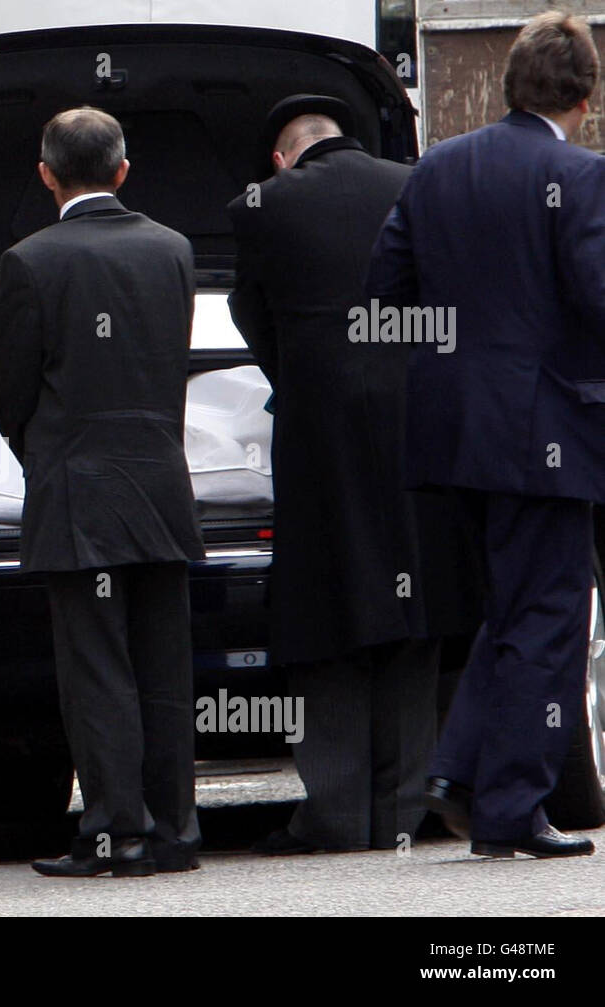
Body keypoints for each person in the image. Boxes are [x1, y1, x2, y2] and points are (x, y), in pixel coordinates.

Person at [367, 10, 604, 859]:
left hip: (454, 433)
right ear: (586, 93)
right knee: (548, 617)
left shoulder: (436, 168)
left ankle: (459, 770)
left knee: (508, 608)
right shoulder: (580, 176)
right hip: (549, 430)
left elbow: (385, 293)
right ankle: (509, 807)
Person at [227, 95, 479, 854]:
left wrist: (305, 378)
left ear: (282, 155)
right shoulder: (417, 181)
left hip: (320, 437)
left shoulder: (259, 205)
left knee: (326, 606)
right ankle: (402, 806)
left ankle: (335, 811)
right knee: (414, 609)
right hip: (415, 425)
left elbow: (251, 312)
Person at [0, 107, 204, 878]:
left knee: (97, 669)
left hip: (78, 489)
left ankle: (116, 830)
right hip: (161, 481)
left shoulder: (30, 261)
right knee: (163, 668)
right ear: (122, 169)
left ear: (46, 175)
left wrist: (40, 452)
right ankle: (174, 828)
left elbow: (7, 389)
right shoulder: (173, 250)